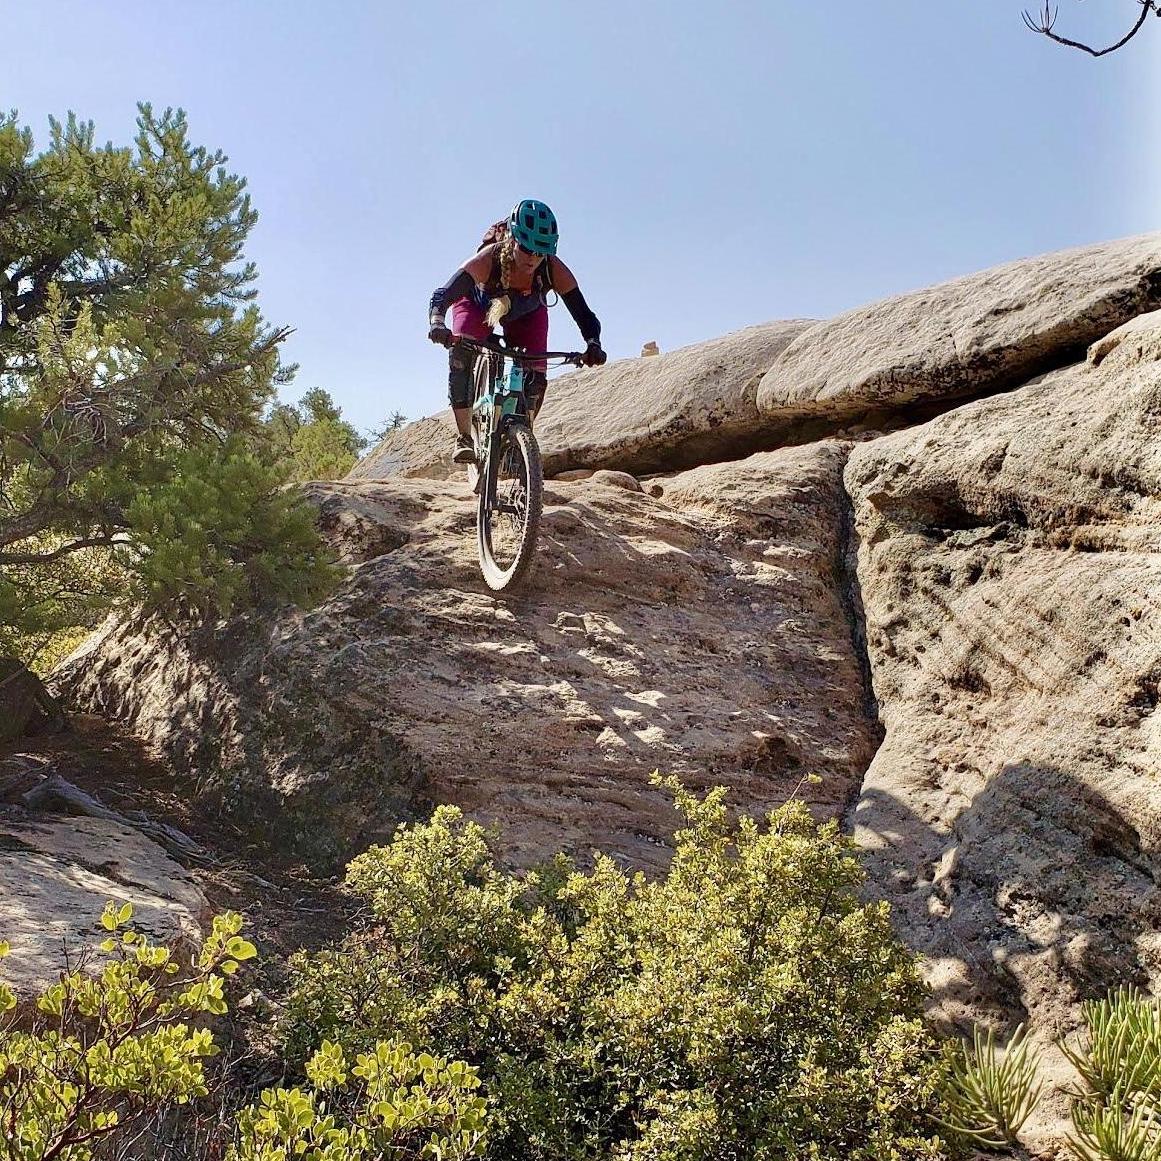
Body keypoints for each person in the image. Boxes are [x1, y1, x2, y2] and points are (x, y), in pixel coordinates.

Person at [427, 199, 607, 464]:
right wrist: (437, 322)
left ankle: (521, 439)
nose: (533, 258)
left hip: (526, 312)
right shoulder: (489, 259)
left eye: (541, 250)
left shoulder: (552, 268)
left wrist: (593, 343)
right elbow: (444, 294)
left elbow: (583, 313)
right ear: (512, 239)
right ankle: (465, 436)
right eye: (526, 248)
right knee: (460, 355)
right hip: (477, 305)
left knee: (536, 376)